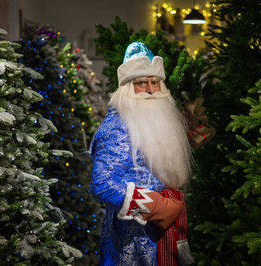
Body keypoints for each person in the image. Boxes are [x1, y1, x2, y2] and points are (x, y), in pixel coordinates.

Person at [90, 42, 194, 266]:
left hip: (161, 233)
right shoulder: (118, 126)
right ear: (128, 87)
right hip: (133, 239)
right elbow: (102, 184)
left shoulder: (156, 115)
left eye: (154, 82)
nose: (149, 89)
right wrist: (154, 206)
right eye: (141, 83)